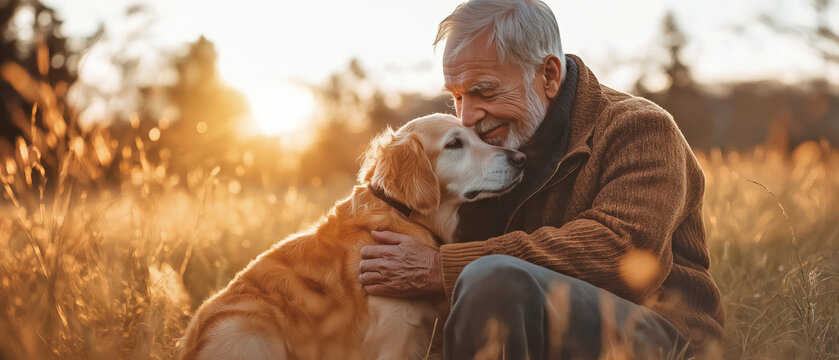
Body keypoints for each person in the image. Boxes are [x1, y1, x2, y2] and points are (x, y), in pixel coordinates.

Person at [357, 0, 726, 358]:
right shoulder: (489, 150)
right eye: (457, 97)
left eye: (484, 91)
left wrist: (444, 268)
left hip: (660, 336)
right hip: (533, 330)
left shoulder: (640, 128)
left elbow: (624, 252)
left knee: (492, 281)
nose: (466, 117)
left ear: (548, 75)